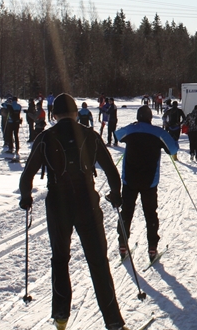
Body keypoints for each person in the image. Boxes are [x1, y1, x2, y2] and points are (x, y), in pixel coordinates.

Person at [18, 94, 128, 330]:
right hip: (87, 204)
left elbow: (27, 175)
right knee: (98, 262)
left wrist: (26, 198)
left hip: (58, 205)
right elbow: (111, 170)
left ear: (54, 114)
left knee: (60, 260)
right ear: (76, 113)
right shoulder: (90, 135)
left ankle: (61, 317)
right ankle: (114, 322)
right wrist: (116, 194)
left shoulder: (45, 137)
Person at [115, 105, 178, 263]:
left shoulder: (131, 130)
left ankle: (123, 244)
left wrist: (133, 127)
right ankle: (152, 248)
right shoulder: (158, 132)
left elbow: (118, 134)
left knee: (126, 211)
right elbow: (173, 149)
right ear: (150, 118)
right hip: (149, 181)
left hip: (129, 179)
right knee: (150, 213)